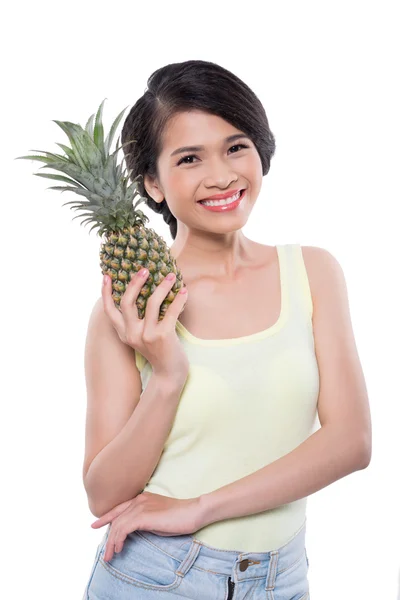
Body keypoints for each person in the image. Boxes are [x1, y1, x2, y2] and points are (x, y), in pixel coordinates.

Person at [81, 59, 372, 600]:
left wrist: (200, 508)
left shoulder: (313, 273)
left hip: (282, 578)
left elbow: (351, 441)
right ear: (153, 183)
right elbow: (104, 495)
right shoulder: (129, 308)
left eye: (236, 147)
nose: (221, 176)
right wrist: (167, 375)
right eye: (189, 158)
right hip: (157, 576)